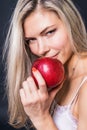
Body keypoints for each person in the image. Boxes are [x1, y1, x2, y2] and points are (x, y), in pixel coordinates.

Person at [3, 0, 87, 130]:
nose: (41, 49)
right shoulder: (56, 76)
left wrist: (41, 118)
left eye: (49, 32)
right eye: (31, 40)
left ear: (70, 22)